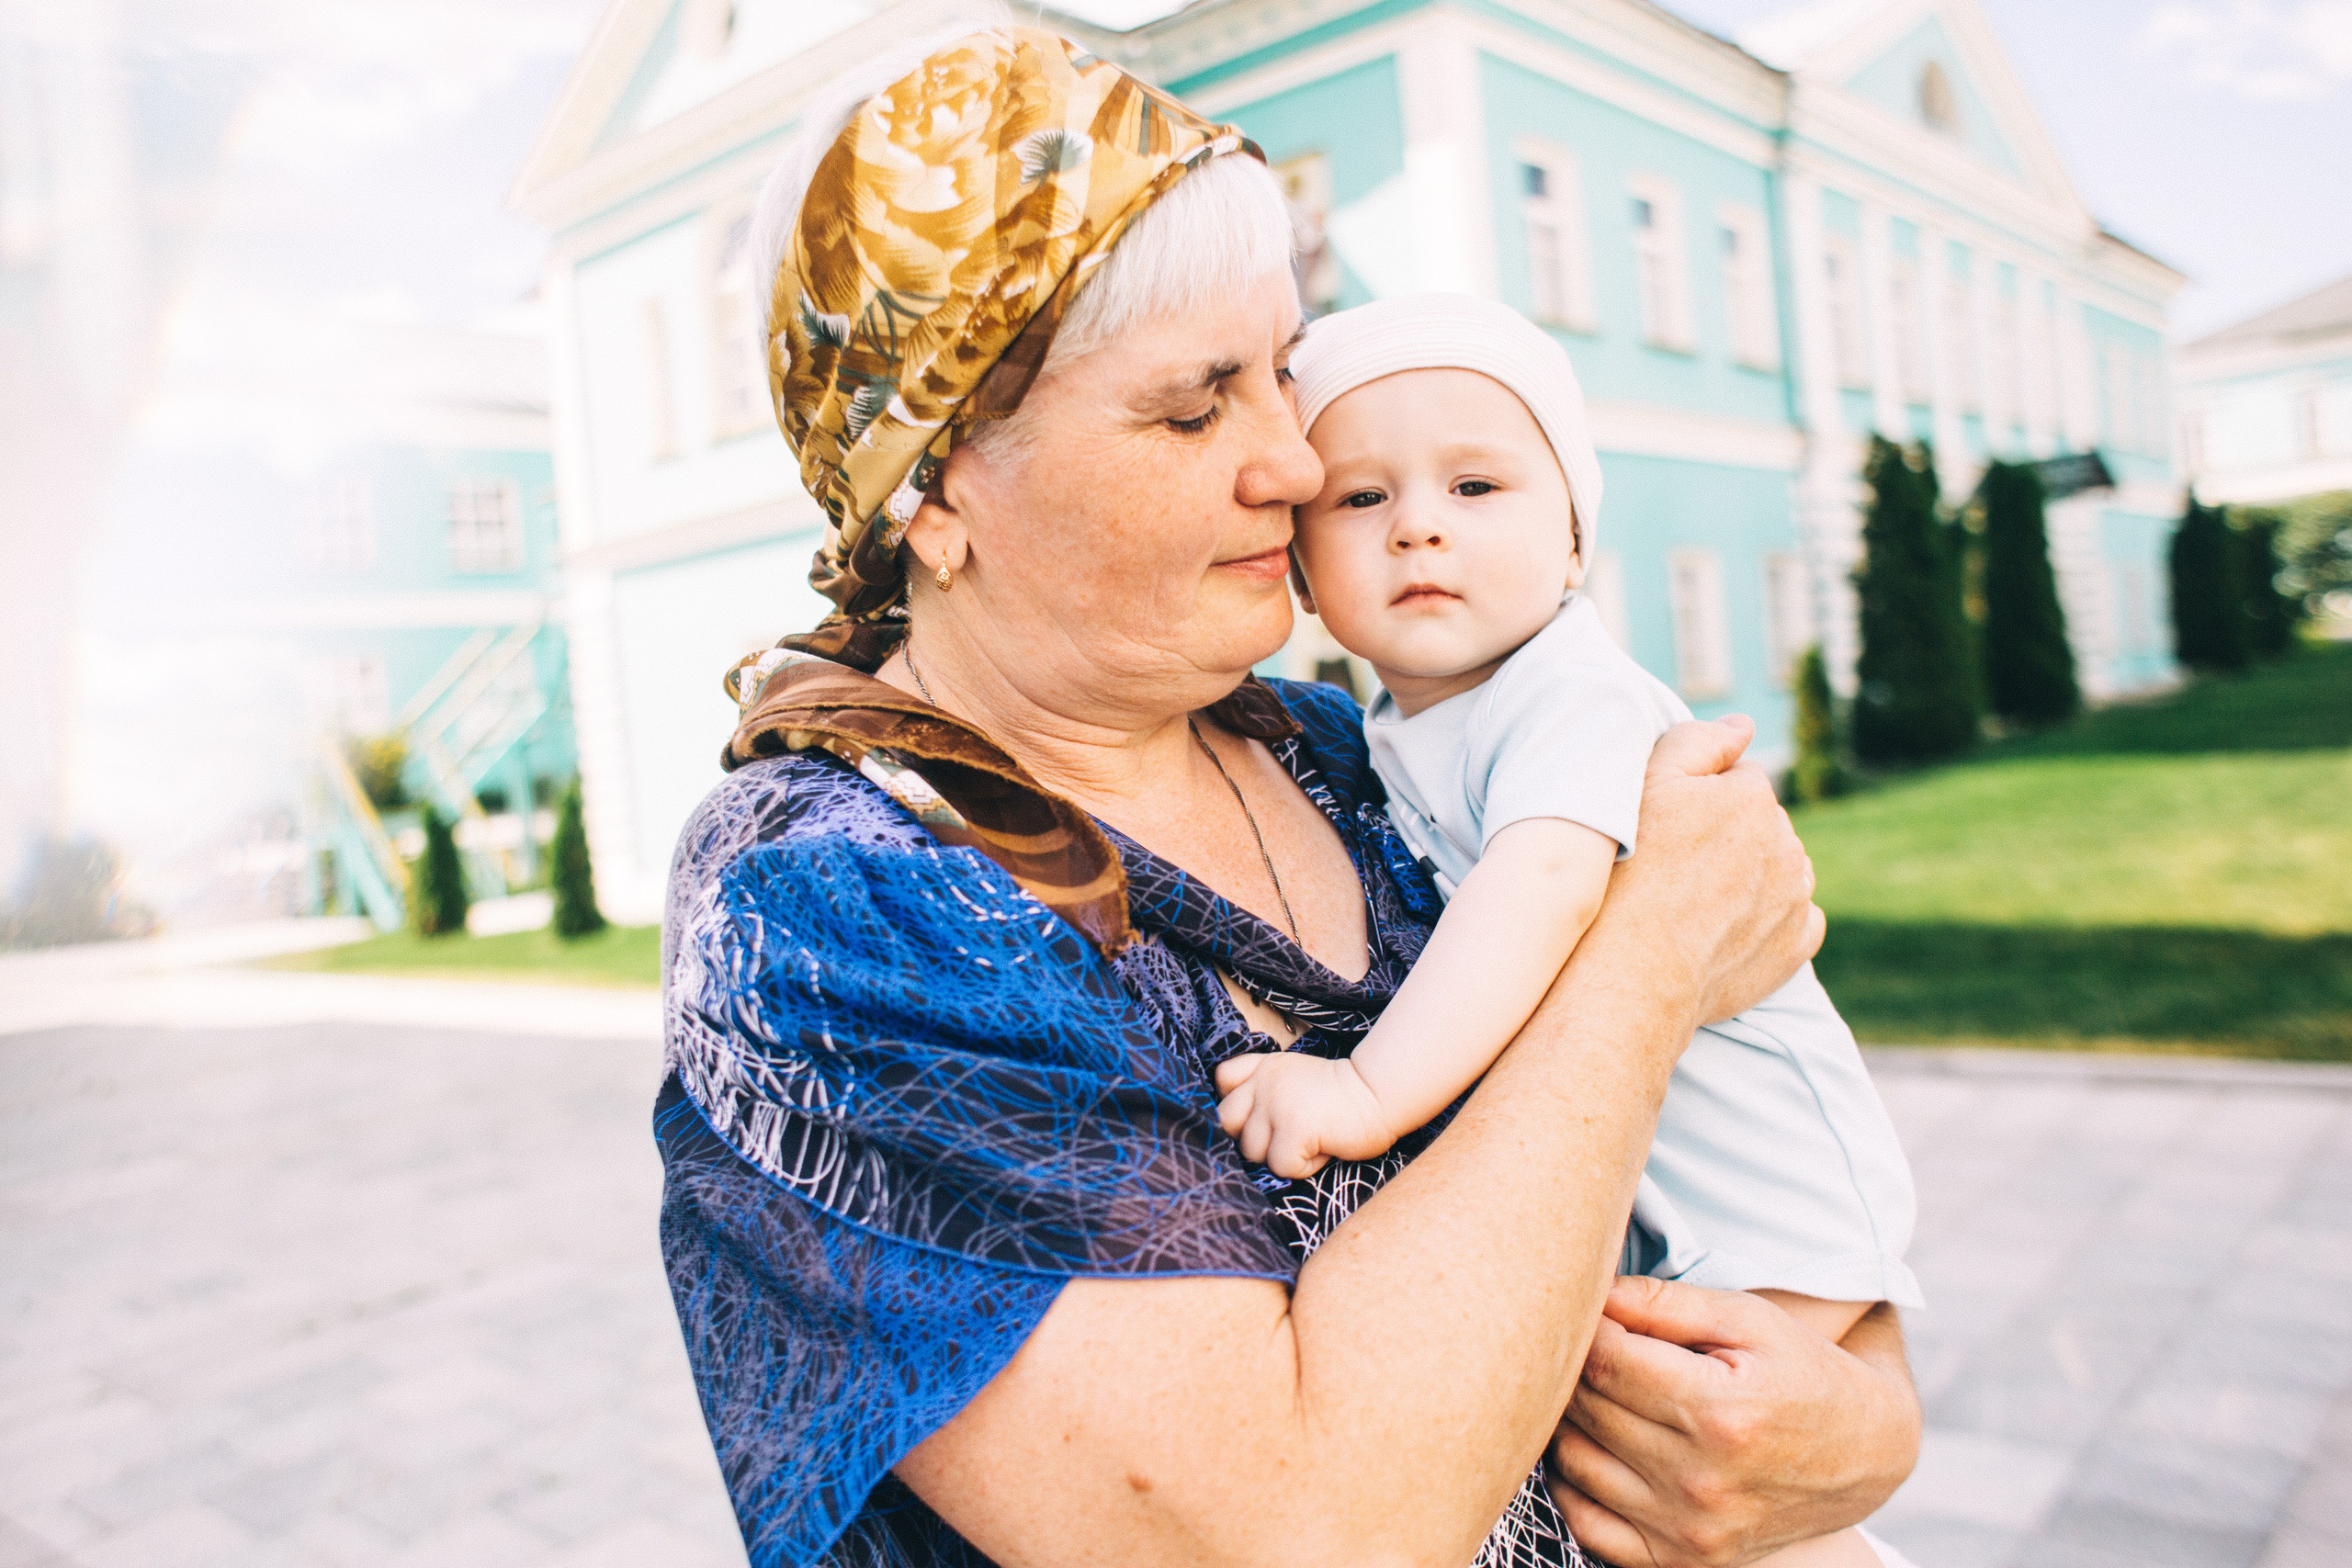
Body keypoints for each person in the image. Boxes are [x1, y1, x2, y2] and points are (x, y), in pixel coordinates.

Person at [658, 24, 1921, 1568]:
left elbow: (1724, 1171)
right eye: (1196, 409)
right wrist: (1651, 958)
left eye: (1283, 369)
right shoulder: (838, 900)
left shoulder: (1338, 747)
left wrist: (1855, 1425)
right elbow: (1297, 1532)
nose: (1299, 464)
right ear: (934, 487)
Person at [1213, 293, 1923, 1567]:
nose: (1420, 522)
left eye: (1478, 485)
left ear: (1575, 536)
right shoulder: (1394, 723)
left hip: (1760, 1195)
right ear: (1307, 567)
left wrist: (1368, 1089)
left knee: (1710, 1493)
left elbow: (1537, 891)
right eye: (1363, 500)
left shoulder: (1568, 694)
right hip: (1682, 1189)